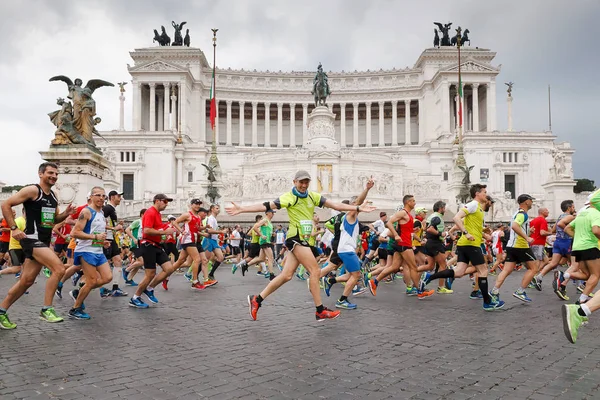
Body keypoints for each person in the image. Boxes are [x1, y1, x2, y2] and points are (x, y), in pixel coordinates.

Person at [226, 170, 376, 321]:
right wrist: (242, 209)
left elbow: (336, 206)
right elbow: (267, 205)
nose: (304, 185)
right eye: (301, 182)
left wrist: (357, 208)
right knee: (315, 270)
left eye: (306, 182)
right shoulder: (289, 197)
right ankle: (319, 310)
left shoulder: (313, 196)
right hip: (295, 238)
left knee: (286, 275)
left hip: (302, 239)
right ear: (294, 182)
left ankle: (256, 300)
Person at [0, 162, 76, 329]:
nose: (54, 176)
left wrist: (65, 214)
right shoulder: (33, 190)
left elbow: (53, 221)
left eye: (56, 174)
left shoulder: (54, 196)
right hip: (31, 239)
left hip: (43, 241)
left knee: (26, 281)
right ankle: (46, 309)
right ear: (40, 174)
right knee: (59, 268)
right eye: (50, 173)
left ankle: (1, 311)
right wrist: (13, 228)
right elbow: (5, 204)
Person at [421, 185, 504, 311]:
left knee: (459, 272)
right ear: (477, 193)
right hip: (469, 244)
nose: (486, 195)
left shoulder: (478, 209)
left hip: (467, 244)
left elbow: (469, 224)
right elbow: (456, 217)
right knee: (483, 271)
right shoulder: (473, 205)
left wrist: (483, 233)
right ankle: (487, 302)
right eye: (484, 192)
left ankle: (429, 277)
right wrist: (466, 232)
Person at [561, 190, 600, 343]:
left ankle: (567, 277)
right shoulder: (595, 213)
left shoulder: (583, 213)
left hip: (578, 247)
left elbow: (565, 227)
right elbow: (596, 230)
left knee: (589, 275)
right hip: (590, 247)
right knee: (595, 276)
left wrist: (577, 237)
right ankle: (581, 306)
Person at [68, 186, 113, 319]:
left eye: (103, 196)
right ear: (91, 197)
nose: (101, 198)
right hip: (85, 251)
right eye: (98, 195)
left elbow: (94, 233)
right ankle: (75, 309)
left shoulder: (101, 214)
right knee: (92, 281)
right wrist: (95, 238)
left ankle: (80, 292)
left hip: (98, 250)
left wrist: (101, 242)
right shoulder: (86, 212)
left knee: (107, 278)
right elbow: (74, 232)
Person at [129, 194, 179, 309]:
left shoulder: (157, 213)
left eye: (167, 202)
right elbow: (147, 230)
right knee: (150, 274)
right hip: (148, 245)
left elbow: (158, 227)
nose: (167, 204)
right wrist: (164, 232)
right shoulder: (150, 212)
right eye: (165, 202)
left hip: (156, 245)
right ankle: (135, 298)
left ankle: (150, 289)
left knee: (169, 269)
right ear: (157, 201)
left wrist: (166, 228)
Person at [491, 194, 538, 302]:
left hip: (511, 245)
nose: (532, 203)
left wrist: (528, 232)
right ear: (526, 202)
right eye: (531, 200)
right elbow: (515, 226)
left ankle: (494, 291)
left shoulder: (516, 213)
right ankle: (520, 291)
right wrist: (527, 237)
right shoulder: (523, 214)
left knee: (506, 270)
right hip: (520, 246)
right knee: (534, 268)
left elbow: (515, 228)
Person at [100, 190, 127, 298]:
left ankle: (115, 288)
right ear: (112, 197)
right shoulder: (107, 208)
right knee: (103, 265)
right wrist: (114, 228)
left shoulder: (112, 210)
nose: (120, 198)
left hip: (112, 238)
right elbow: (99, 221)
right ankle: (100, 288)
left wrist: (117, 225)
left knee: (118, 261)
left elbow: (109, 223)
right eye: (118, 196)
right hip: (106, 238)